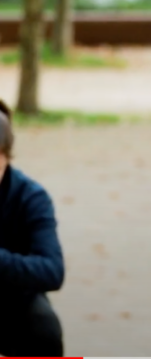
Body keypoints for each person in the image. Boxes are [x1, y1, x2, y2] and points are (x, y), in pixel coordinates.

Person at [0, 99, 66, 357]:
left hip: (11, 298)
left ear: (6, 155)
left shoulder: (31, 197)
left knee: (45, 327)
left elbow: (52, 271)